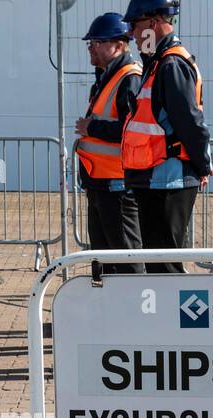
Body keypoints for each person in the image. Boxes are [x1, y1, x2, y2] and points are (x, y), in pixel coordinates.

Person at [120, 1, 211, 274]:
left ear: (153, 22)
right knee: (159, 262)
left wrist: (202, 165)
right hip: (156, 179)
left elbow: (190, 122)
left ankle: (173, 316)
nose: (133, 35)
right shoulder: (157, 63)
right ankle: (163, 315)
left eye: (135, 26)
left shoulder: (171, 64)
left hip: (170, 180)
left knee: (166, 265)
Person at [73, 13, 144, 274]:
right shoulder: (105, 77)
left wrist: (91, 127)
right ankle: (109, 310)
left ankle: (138, 307)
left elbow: (132, 130)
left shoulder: (129, 78)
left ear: (118, 44)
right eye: (90, 42)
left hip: (118, 185)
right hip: (100, 182)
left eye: (97, 42)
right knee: (103, 259)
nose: (91, 47)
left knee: (126, 257)